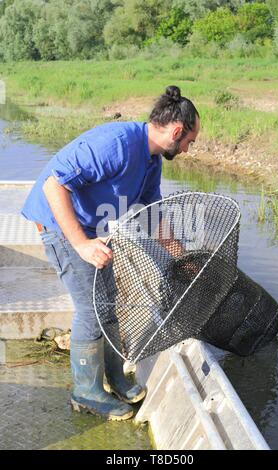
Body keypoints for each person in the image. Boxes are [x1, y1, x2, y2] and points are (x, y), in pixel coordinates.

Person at [21, 85, 200, 421]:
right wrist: (81, 244)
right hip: (62, 228)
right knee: (91, 310)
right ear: (177, 131)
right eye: (190, 141)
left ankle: (115, 377)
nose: (189, 148)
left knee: (109, 304)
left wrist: (183, 259)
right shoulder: (115, 144)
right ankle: (86, 392)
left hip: (91, 232)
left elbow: (153, 215)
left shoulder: (151, 162)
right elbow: (53, 185)